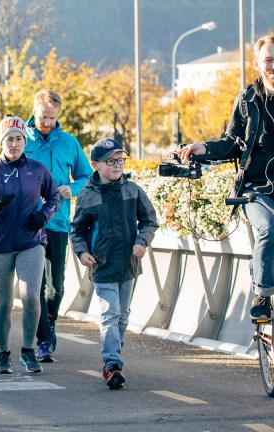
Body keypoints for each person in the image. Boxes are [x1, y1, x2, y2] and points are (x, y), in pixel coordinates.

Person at [179, 33, 274, 320]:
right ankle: (262, 293)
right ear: (258, 64)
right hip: (257, 189)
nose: (273, 66)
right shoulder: (248, 100)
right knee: (269, 228)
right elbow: (232, 143)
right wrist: (203, 148)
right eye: (268, 60)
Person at [70, 138, 159, 389]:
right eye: (111, 161)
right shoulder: (88, 195)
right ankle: (112, 364)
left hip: (129, 264)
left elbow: (149, 220)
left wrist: (142, 242)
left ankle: (114, 359)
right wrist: (82, 253)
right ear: (95, 164)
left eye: (120, 160)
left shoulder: (133, 190)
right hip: (102, 264)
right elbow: (77, 230)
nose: (117, 165)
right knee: (110, 313)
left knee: (122, 316)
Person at [0, 115, 59, 374]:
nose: (14, 144)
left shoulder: (37, 170)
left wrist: (43, 216)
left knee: (29, 296)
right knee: (3, 302)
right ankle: (3, 352)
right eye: (9, 140)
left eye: (18, 139)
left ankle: (28, 351)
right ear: (1, 142)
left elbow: (53, 196)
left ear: (24, 141)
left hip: (31, 240)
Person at [24, 89, 94, 362]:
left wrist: (71, 188)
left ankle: (50, 324)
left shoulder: (68, 142)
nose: (47, 122)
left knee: (57, 287)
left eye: (52, 118)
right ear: (34, 111)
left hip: (58, 223)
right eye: (43, 117)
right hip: (28, 225)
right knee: (36, 286)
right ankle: (43, 341)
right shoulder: (21, 139)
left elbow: (87, 176)